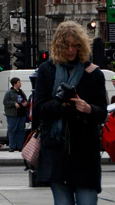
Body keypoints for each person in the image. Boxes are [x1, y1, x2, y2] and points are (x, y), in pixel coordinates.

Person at [34, 21, 107, 205]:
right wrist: (61, 105)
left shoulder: (93, 73)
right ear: (58, 45)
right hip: (56, 152)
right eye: (66, 45)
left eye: (75, 45)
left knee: (87, 200)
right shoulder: (46, 71)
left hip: (85, 153)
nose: (71, 50)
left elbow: (102, 112)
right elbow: (39, 109)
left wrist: (88, 108)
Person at [3, 77, 27, 152]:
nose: (20, 83)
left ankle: (20, 146)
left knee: (21, 130)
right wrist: (14, 104)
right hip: (12, 114)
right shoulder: (9, 93)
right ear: (15, 84)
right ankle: (12, 146)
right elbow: (5, 102)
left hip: (21, 114)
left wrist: (26, 102)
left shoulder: (21, 92)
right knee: (12, 130)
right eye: (19, 82)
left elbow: (25, 99)